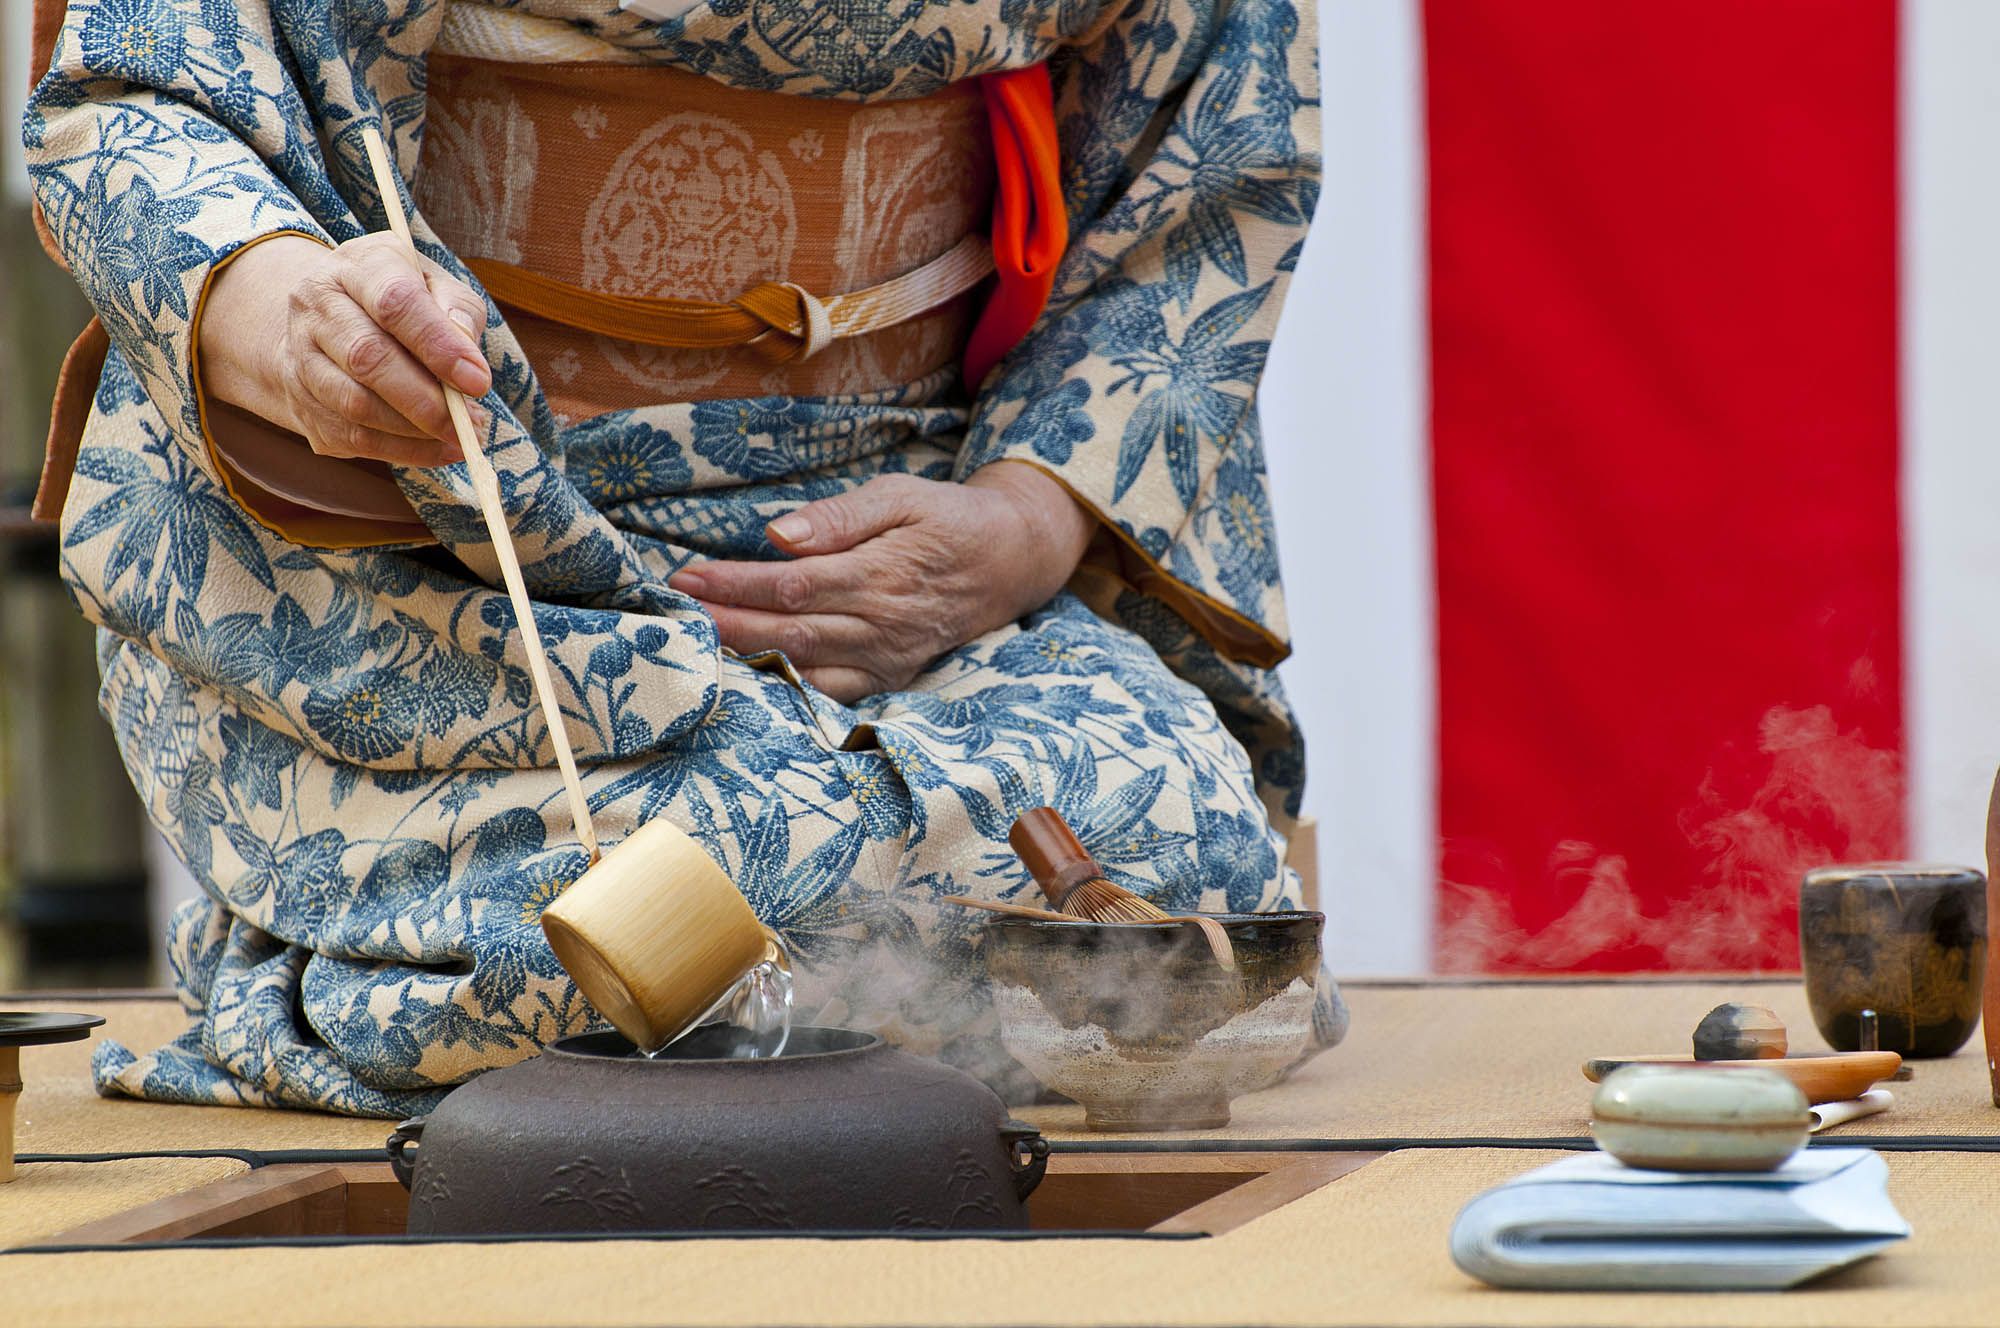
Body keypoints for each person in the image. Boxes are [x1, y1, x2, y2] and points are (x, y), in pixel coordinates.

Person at [22, 0, 1343, 1116]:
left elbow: (1214, 120)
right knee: (661, 918)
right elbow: (135, 94)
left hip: (892, 526)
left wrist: (1027, 514)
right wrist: (288, 318)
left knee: (1188, 855)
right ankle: (357, 956)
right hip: (437, 530)